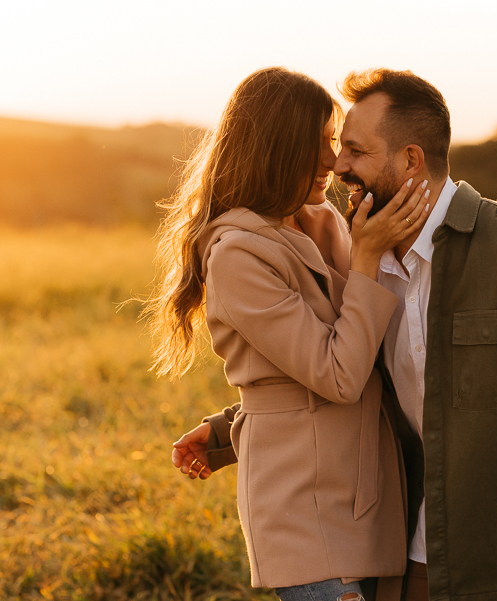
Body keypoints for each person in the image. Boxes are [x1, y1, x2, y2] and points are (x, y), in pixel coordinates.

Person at [176, 68, 497, 601]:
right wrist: (230, 430)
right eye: (336, 146)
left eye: (355, 150)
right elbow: (346, 369)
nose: (338, 165)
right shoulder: (368, 264)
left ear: (410, 160)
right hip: (417, 557)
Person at [150, 66, 433, 601]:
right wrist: (367, 257)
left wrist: (225, 430)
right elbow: (340, 375)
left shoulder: (322, 224)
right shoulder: (238, 255)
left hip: (367, 499)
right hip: (307, 516)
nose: (333, 160)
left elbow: (327, 362)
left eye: (334, 140)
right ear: (276, 148)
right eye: (318, 143)